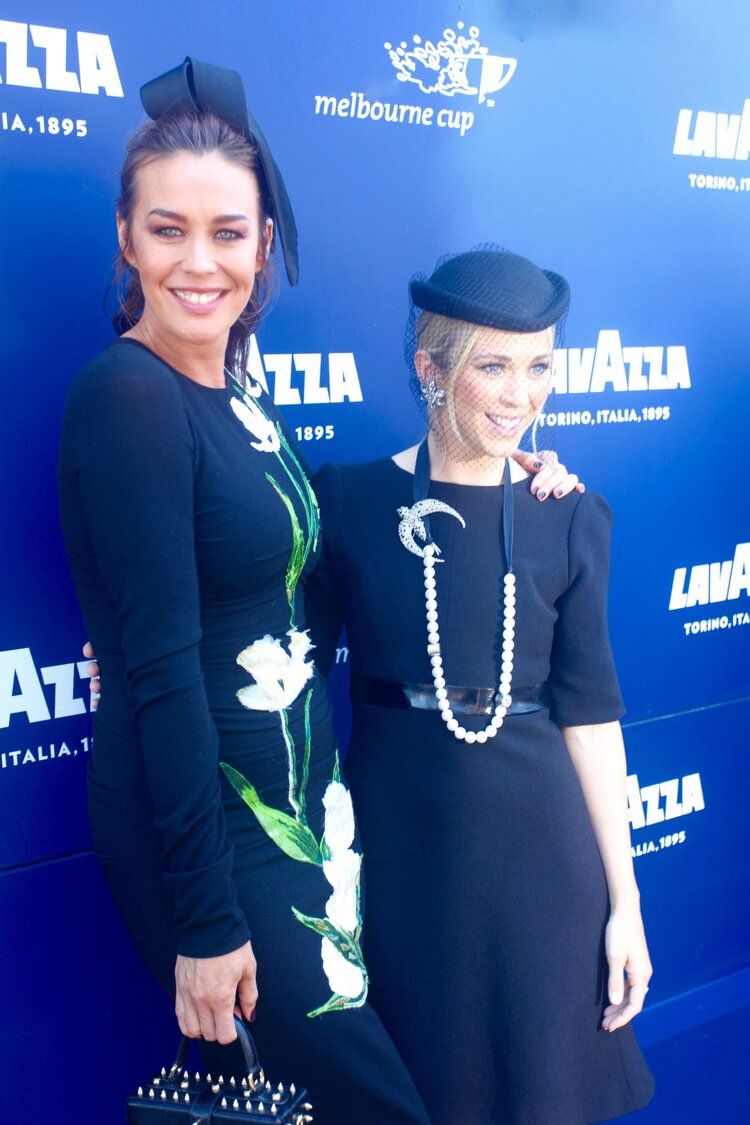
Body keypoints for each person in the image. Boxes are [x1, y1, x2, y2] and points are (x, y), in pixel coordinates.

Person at [56, 56, 434, 1124]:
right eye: (168, 229)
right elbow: (164, 679)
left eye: (228, 232)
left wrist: (509, 477)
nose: (200, 262)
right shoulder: (128, 397)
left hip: (300, 817)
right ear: (128, 240)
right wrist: (209, 923)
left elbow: (289, 576)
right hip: (217, 841)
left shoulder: (236, 388)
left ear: (265, 242)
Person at [301, 248, 656, 1123]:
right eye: (491, 365)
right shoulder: (343, 501)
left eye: (538, 365)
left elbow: (591, 717)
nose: (519, 394)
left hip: (545, 867)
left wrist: (627, 903)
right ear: (431, 369)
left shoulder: (568, 512)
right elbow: (285, 676)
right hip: (400, 866)